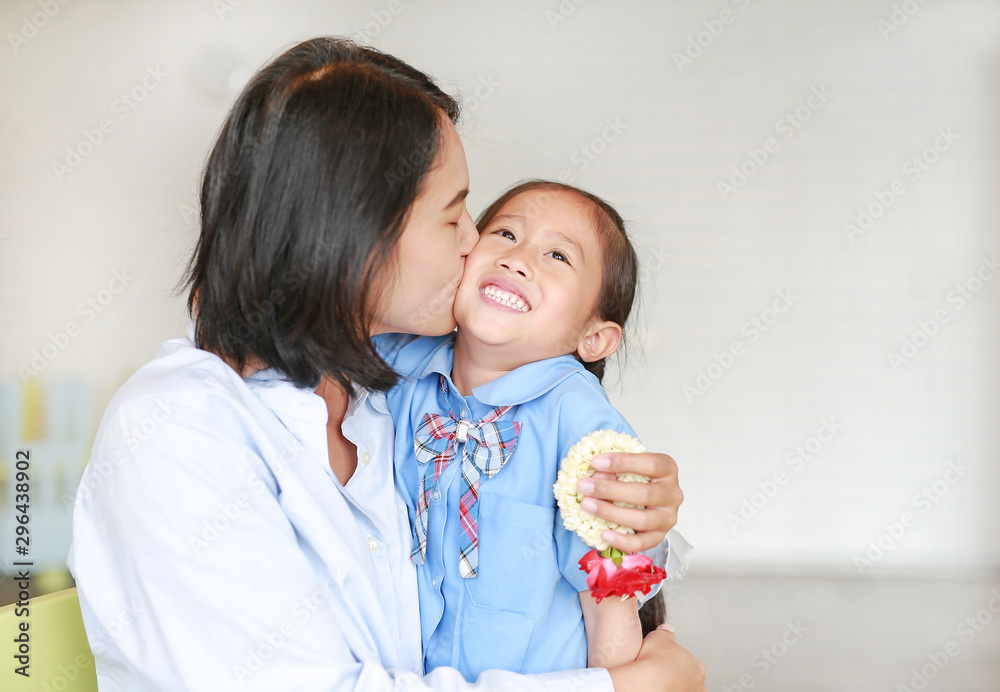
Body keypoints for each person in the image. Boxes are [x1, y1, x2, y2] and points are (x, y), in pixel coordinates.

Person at [68, 37, 707, 691]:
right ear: (357, 234)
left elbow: (542, 526)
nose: (477, 244)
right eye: (455, 217)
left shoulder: (384, 392)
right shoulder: (177, 433)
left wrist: (635, 517)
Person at [377, 180, 657, 680]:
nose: (517, 260)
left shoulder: (582, 426)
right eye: (505, 234)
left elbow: (610, 597)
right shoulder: (399, 366)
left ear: (594, 337)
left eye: (557, 255)